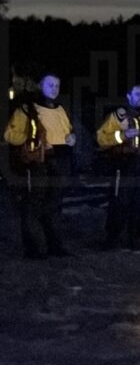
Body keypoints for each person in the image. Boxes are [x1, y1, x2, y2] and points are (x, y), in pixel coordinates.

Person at [3, 73, 76, 259]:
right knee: (33, 206)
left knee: (54, 206)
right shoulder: (27, 110)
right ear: (40, 86)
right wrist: (33, 140)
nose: (55, 88)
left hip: (60, 162)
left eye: (57, 85)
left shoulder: (60, 109)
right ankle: (34, 249)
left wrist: (71, 138)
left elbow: (67, 131)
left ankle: (54, 246)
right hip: (38, 163)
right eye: (50, 85)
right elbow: (10, 136)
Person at [95, 85, 140, 250]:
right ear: (128, 96)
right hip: (124, 165)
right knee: (119, 202)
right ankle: (112, 238)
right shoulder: (119, 116)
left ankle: (134, 238)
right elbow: (101, 138)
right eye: (137, 94)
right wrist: (122, 135)